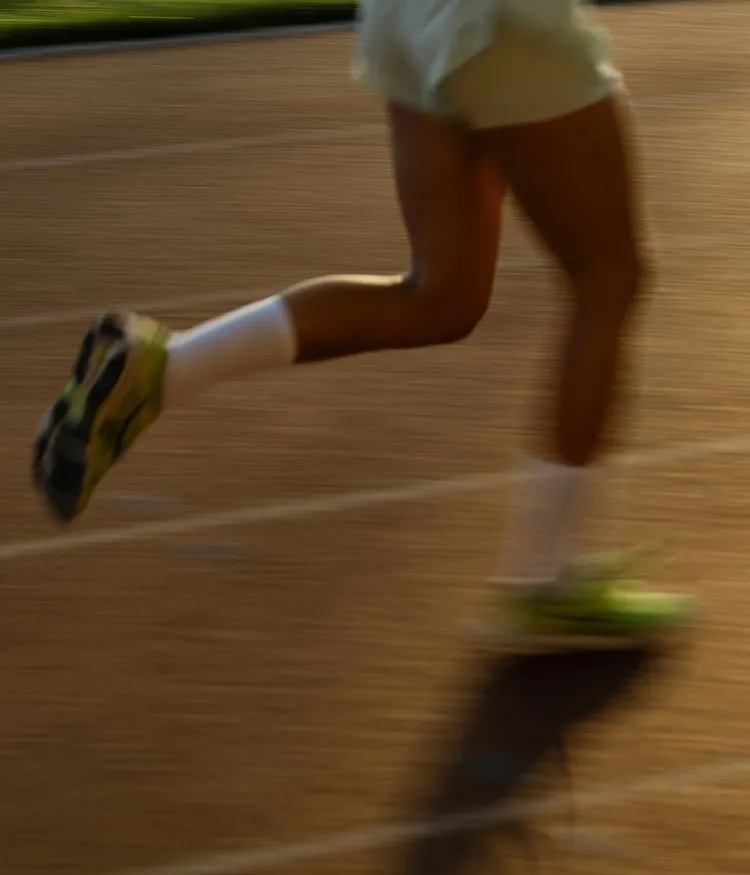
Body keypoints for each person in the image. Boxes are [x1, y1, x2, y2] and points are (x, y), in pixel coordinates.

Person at [33, 0, 692, 645]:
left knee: (441, 296)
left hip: (403, 19)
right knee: (608, 279)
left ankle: (165, 366)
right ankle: (547, 582)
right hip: (502, 24)